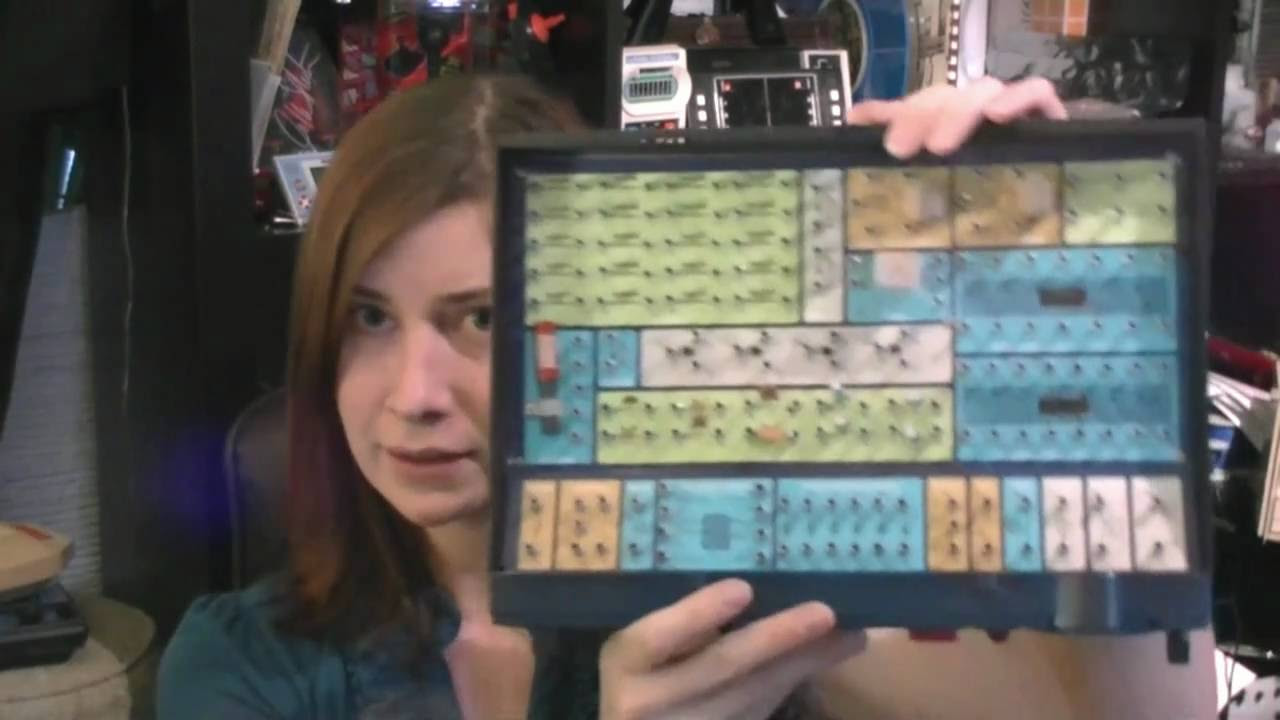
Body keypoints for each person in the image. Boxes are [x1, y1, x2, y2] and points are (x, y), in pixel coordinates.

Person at [156, 72, 1079, 720]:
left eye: (481, 319)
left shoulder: (734, 606)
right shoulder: (241, 667)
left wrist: (1033, 255)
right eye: (369, 317)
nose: (414, 394)